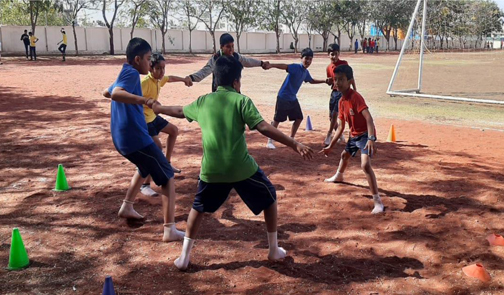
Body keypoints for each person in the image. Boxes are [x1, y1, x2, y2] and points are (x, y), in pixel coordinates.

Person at [152, 55, 314, 270]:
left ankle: (184, 257)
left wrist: (159, 109)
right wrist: (294, 144)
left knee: (198, 208)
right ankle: (273, 249)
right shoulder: (241, 100)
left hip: (211, 171)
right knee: (270, 197)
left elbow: (180, 111)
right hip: (241, 168)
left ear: (216, 81)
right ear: (236, 82)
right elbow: (263, 127)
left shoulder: (203, 101)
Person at [102, 38, 184, 242]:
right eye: (148, 59)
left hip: (122, 139)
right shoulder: (130, 73)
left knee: (145, 167)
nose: (149, 64)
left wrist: (125, 96)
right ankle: (169, 229)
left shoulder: (125, 72)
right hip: (135, 138)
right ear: (137, 59)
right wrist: (143, 100)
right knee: (167, 176)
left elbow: (107, 91)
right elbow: (116, 94)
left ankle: (127, 206)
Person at [321, 65, 384, 214]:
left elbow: (369, 119)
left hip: (364, 136)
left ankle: (377, 202)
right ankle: (339, 176)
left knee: (365, 165)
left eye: (341, 79)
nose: (338, 83)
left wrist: (371, 139)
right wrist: (330, 145)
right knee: (344, 156)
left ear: (350, 81)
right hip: (354, 136)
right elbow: (341, 127)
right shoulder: (341, 102)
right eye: (335, 80)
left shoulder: (356, 97)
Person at [139, 53, 193, 197]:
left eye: (164, 68)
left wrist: (184, 80)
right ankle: (145, 185)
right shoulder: (145, 83)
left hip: (154, 117)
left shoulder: (158, 80)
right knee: (155, 148)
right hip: (145, 121)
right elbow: (133, 100)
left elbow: (170, 78)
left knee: (173, 131)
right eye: (159, 68)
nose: (162, 72)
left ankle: (167, 162)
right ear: (151, 68)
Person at [266, 48, 330, 149]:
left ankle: (291, 138)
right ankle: (270, 140)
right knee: (277, 119)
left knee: (299, 118)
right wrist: (272, 65)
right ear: (301, 58)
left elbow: (311, 80)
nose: (308, 61)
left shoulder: (305, 72)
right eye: (306, 58)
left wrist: (324, 81)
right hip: (283, 97)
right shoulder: (296, 67)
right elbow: (285, 66)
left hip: (292, 98)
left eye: (310, 59)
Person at [185, 33, 271, 92]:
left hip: (234, 91)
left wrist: (261, 63)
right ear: (221, 47)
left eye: (233, 46)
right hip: (219, 93)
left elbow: (247, 61)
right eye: (228, 47)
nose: (231, 49)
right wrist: (191, 78)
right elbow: (204, 71)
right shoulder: (216, 58)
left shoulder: (236, 56)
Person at [324, 44, 357, 146]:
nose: (334, 56)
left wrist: (355, 90)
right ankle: (341, 135)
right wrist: (328, 81)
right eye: (332, 54)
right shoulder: (328, 68)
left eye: (336, 54)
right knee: (331, 116)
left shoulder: (344, 64)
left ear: (339, 54)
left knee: (335, 114)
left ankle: (329, 135)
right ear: (328, 55)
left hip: (342, 92)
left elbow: (351, 78)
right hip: (334, 92)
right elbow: (332, 82)